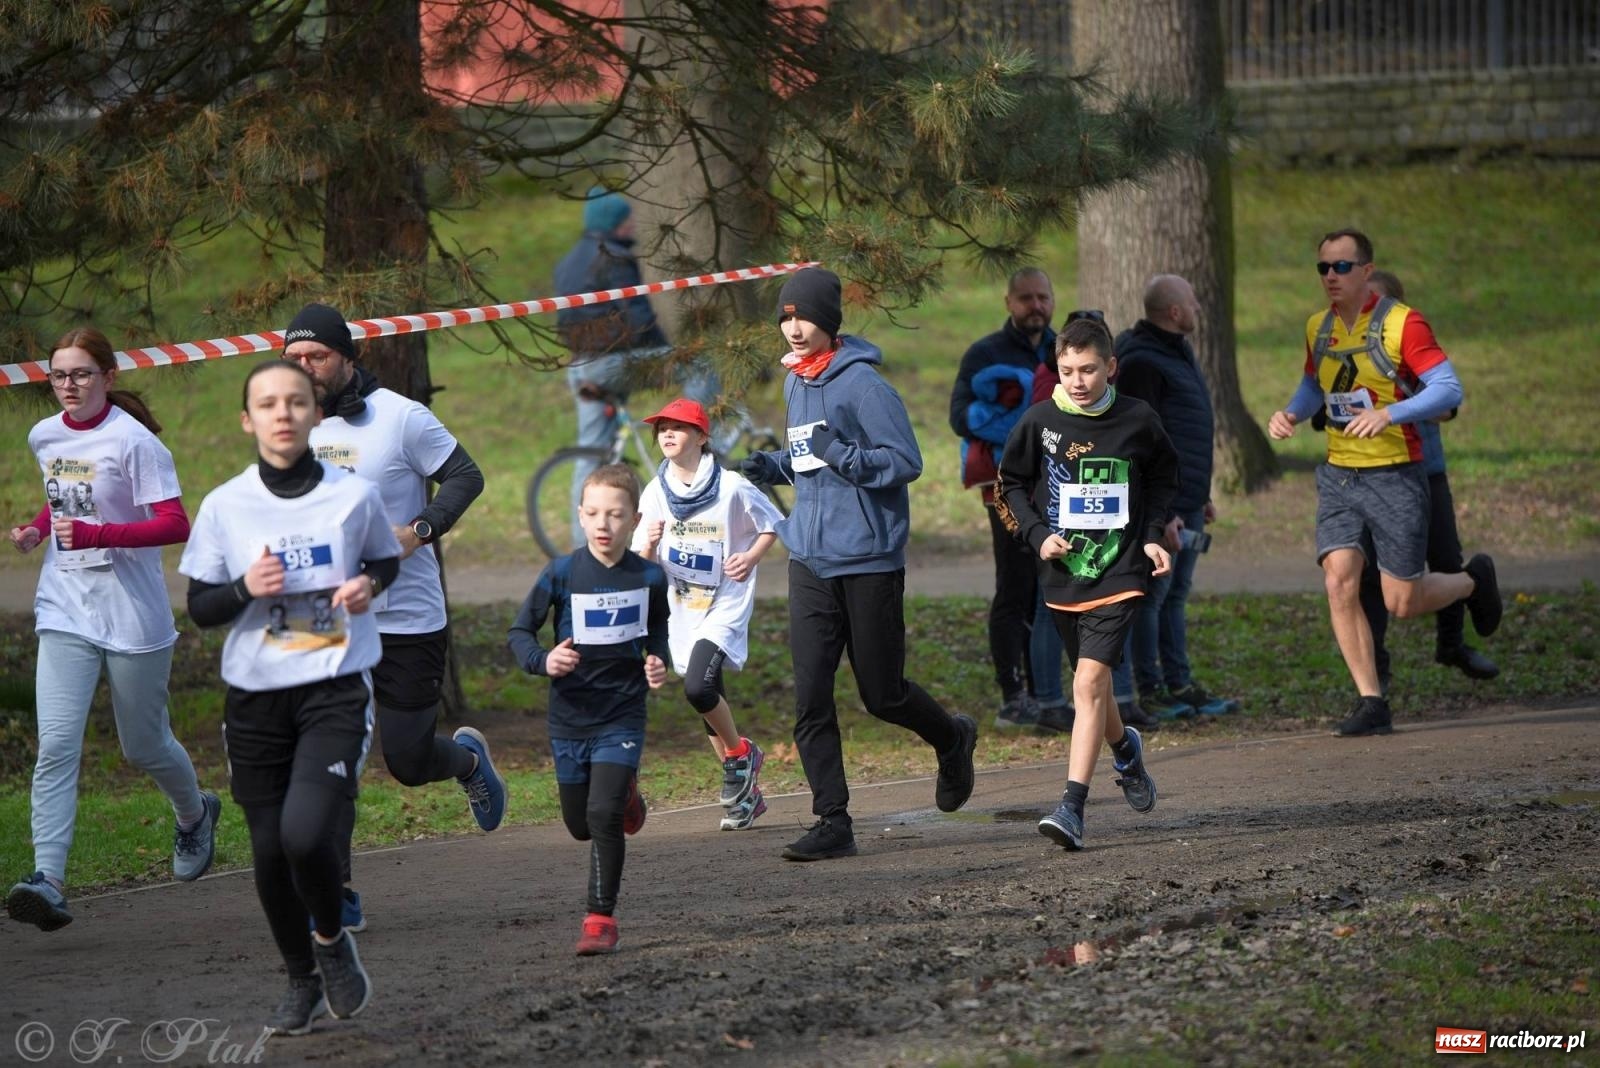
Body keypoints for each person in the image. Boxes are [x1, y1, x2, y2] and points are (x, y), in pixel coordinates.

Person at [180, 360, 400, 1034]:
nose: (282, 414)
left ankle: (331, 940)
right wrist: (247, 586)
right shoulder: (225, 505)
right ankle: (301, 979)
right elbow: (201, 607)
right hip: (255, 697)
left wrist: (368, 586)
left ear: (314, 414)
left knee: (307, 833)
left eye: (296, 402)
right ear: (248, 420)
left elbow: (384, 558)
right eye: (267, 404)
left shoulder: (353, 495)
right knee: (271, 850)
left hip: (332, 686)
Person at [740, 267, 978, 862]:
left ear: (830, 321)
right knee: (810, 696)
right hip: (810, 559)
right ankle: (833, 821)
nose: (794, 329)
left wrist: (840, 454)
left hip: (868, 558)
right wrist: (775, 466)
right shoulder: (797, 381)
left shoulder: (864, 385)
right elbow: (809, 457)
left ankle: (952, 738)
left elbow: (905, 460)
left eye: (805, 317)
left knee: (882, 693)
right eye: (786, 319)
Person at [282, 302, 504, 934]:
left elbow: (465, 475)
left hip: (407, 615)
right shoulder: (286, 426)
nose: (304, 368)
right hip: (326, 618)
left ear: (348, 357)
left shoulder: (402, 419)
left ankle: (464, 762)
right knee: (332, 757)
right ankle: (338, 891)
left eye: (316, 356)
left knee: (405, 761)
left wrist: (420, 529)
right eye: (293, 358)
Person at [6, 326, 221, 933]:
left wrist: (100, 535)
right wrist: (37, 529)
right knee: (55, 745)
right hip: (65, 607)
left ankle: (194, 813)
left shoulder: (135, 444)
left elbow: (176, 523)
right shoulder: (43, 435)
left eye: (80, 374)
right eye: (58, 376)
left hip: (132, 613)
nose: (68, 386)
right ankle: (48, 879)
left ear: (108, 377)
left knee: (143, 745)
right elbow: (65, 499)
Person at [1268, 229, 1502, 737]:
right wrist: (1291, 411)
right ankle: (1371, 700)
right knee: (1339, 580)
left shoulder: (1404, 324)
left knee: (1401, 599)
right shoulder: (1318, 328)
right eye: (1323, 268)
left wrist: (1391, 414)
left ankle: (1472, 582)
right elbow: (1314, 383)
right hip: (1338, 475)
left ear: (1366, 270)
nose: (1331, 276)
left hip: (1396, 475)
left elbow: (1448, 388)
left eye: (1342, 267)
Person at [998, 315, 1178, 851]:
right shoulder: (1040, 421)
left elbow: (1166, 475)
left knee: (1086, 686)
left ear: (1111, 367)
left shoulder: (1139, 420)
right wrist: (1036, 535)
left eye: (1089, 369)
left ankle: (1071, 807)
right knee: (1091, 684)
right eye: (1067, 369)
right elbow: (1008, 483)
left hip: (1122, 569)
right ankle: (1126, 751)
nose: (1077, 380)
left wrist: (1150, 536)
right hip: (1063, 573)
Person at [508, 464, 671, 955]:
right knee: (581, 824)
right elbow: (520, 634)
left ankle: (600, 919)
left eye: (616, 515)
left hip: (622, 715)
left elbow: (657, 633)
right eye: (595, 513)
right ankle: (626, 797)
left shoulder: (648, 576)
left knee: (600, 816)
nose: (604, 524)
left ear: (635, 519)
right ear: (580, 516)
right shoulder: (561, 573)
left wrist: (657, 661)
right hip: (569, 718)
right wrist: (544, 660)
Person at [632, 398, 782, 831]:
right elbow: (640, 560)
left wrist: (750, 558)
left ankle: (741, 755)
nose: (666, 433)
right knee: (708, 689)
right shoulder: (656, 491)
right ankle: (744, 796)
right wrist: (649, 545)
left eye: (677, 426)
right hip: (681, 607)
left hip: (725, 603)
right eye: (661, 427)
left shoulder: (732, 485)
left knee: (698, 688)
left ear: (701, 436)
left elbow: (772, 524)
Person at [1356, 270, 1499, 690]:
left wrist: (1398, 400)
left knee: (1445, 560)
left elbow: (1446, 407)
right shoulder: (1345, 354)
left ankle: (1452, 645)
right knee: (1368, 575)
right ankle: (1376, 673)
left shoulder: (1410, 349)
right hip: (1364, 477)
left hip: (1424, 473)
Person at [554, 187, 722, 530]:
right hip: (612, 363)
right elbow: (638, 318)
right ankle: (690, 439)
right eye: (626, 219)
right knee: (699, 365)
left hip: (580, 367)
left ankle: (579, 542)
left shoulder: (568, 260)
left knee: (593, 454)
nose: (632, 224)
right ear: (613, 223)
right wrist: (673, 354)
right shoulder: (613, 257)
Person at [1114, 275, 1241, 721]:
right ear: (1173, 311)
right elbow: (1141, 441)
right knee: (1152, 594)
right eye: (1192, 302)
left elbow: (1185, 430)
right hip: (1162, 507)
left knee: (1175, 594)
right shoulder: (1143, 362)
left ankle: (1179, 682)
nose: (1198, 309)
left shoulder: (1177, 350)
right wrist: (1161, 512)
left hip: (1188, 501)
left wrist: (1199, 494)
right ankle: (1150, 689)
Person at [948, 267, 1056, 730]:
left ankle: (1045, 689)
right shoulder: (984, 353)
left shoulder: (1062, 348)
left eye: (1043, 298)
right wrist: (1018, 434)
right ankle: (1013, 694)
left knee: (1048, 588)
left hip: (1057, 488)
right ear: (1009, 302)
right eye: (1026, 298)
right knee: (1014, 586)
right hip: (1005, 489)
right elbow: (959, 417)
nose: (1036, 306)